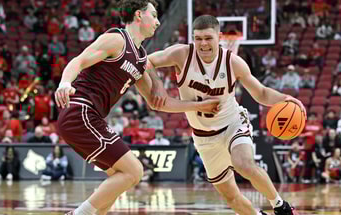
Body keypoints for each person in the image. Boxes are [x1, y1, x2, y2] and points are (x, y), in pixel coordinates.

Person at [55, 1, 219, 215]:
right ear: (139, 15)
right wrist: (65, 83)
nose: (158, 21)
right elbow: (78, 61)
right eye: (154, 15)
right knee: (135, 171)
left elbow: (158, 102)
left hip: (91, 118)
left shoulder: (141, 59)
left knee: (119, 177)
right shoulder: (117, 39)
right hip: (81, 112)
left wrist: (201, 104)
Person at [147, 15, 306, 215]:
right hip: (204, 136)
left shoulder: (233, 63)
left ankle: (280, 207)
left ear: (219, 36)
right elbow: (147, 61)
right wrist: (158, 84)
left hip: (233, 123)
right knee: (231, 198)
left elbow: (261, 93)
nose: (203, 44)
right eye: (198, 39)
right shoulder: (181, 54)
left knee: (244, 164)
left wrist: (286, 98)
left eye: (208, 38)